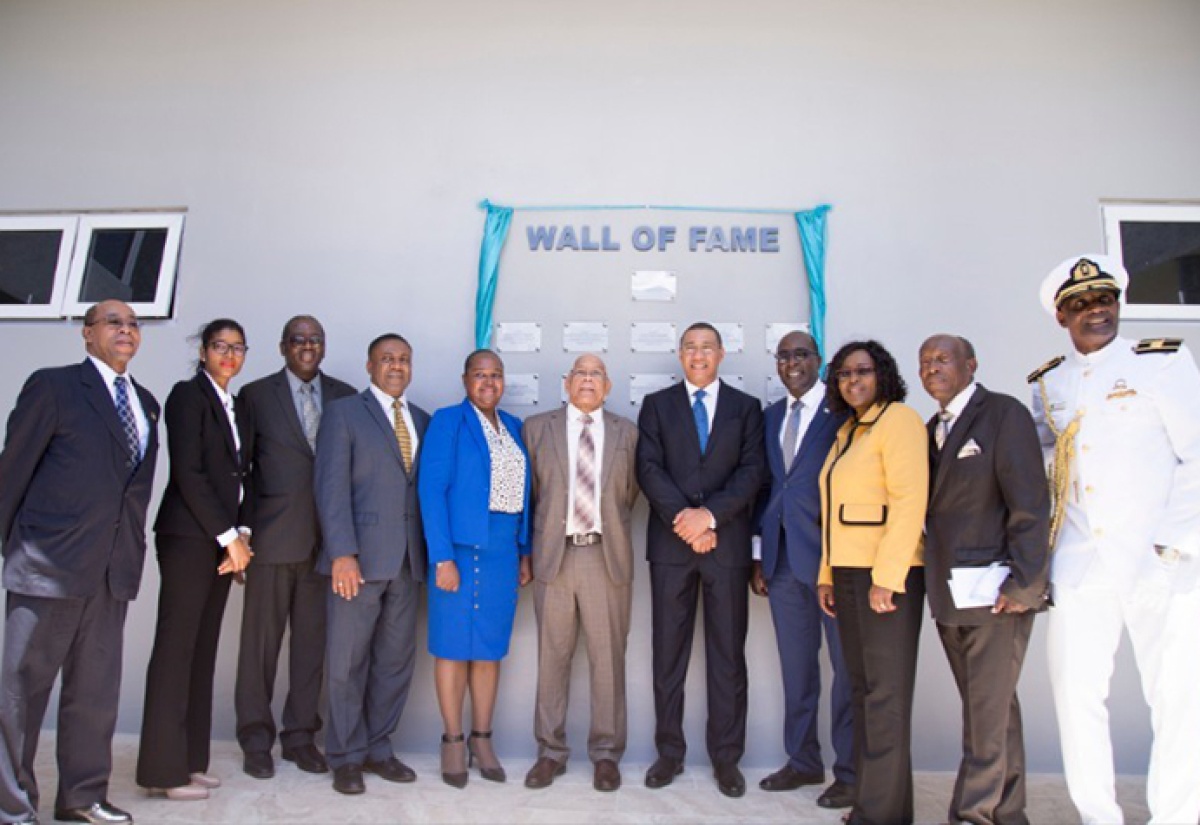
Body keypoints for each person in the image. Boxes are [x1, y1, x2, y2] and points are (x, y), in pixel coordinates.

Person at [1030, 255, 1200, 825]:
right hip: (1081, 563)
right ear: (1061, 316)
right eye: (1080, 304)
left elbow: (1195, 456)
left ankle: (1177, 816)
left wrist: (1173, 543)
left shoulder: (1164, 364)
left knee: (1177, 699)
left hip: (1159, 559)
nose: (1095, 310)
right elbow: (1045, 467)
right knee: (1077, 701)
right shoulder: (1048, 382)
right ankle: (1098, 815)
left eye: (1104, 299)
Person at [0, 301, 159, 825]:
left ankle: (81, 797)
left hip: (112, 572)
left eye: (134, 324)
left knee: (94, 694)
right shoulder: (53, 386)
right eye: (114, 322)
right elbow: (13, 470)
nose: (126, 330)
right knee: (22, 690)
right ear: (87, 333)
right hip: (47, 565)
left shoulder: (145, 403)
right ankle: (12, 805)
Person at [919, 334, 1050, 825]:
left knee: (984, 716)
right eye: (925, 361)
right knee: (992, 711)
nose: (933, 367)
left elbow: (1030, 502)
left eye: (943, 359)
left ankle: (972, 814)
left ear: (971, 364)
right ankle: (1009, 811)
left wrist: (1025, 583)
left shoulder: (1002, 415)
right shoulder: (934, 427)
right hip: (952, 596)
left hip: (998, 595)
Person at [636, 322, 765, 799]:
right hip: (671, 548)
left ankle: (727, 758)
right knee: (668, 656)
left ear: (722, 354)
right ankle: (668, 753)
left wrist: (709, 518)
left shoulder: (746, 409)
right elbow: (648, 469)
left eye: (706, 347)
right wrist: (687, 522)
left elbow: (753, 471)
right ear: (679, 353)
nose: (698, 354)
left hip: (725, 547)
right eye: (690, 347)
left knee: (728, 657)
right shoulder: (657, 405)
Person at [234, 315, 355, 779]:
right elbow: (240, 469)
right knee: (259, 649)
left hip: (327, 546)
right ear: (284, 346)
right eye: (298, 340)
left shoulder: (344, 397)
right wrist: (240, 536)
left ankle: (301, 737)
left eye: (315, 339)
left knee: (311, 649)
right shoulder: (256, 396)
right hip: (270, 540)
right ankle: (255, 739)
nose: (307, 346)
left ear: (324, 347)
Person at [136, 319, 252, 801]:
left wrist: (241, 534)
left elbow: (242, 475)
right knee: (176, 649)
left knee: (202, 650)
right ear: (203, 351)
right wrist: (229, 537)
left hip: (223, 541)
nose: (228, 354)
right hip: (188, 536)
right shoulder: (187, 397)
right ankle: (163, 772)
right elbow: (189, 472)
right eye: (219, 346)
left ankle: (190, 760)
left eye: (237, 348)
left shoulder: (234, 405)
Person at [817, 339, 927, 825]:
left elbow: (909, 500)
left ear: (882, 374)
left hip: (885, 575)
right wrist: (826, 574)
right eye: (843, 374)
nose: (853, 380)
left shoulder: (898, 420)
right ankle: (880, 806)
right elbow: (832, 516)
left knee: (884, 695)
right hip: (846, 573)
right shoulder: (849, 432)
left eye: (862, 371)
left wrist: (889, 577)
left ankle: (878, 815)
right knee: (863, 690)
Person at [313, 333, 428, 796]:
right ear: (369, 366)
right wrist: (342, 552)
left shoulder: (421, 419)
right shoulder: (343, 413)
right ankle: (344, 756)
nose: (395, 366)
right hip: (357, 561)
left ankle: (379, 748)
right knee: (346, 662)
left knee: (394, 662)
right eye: (387, 359)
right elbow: (330, 487)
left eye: (403, 359)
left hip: (406, 561)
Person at [520, 354, 640, 793]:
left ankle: (606, 755)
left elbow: (629, 495)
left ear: (607, 386)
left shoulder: (628, 432)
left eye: (597, 375)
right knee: (552, 658)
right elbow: (530, 494)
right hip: (555, 557)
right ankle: (550, 752)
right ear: (566, 382)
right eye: (581, 373)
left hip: (605, 557)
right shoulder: (536, 429)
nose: (588, 380)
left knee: (608, 661)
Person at [419, 350, 532, 789]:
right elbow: (432, 491)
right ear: (465, 379)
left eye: (496, 375)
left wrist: (524, 551)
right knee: (451, 647)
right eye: (480, 375)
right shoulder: (449, 422)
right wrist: (442, 557)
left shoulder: (517, 428)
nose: (488, 382)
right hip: (459, 553)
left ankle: (482, 740)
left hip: (504, 552)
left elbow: (528, 497)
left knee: (488, 649)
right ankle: (452, 741)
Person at [752, 330, 855, 809]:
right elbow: (767, 489)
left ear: (818, 361)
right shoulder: (770, 416)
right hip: (783, 563)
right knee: (797, 670)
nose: (792, 362)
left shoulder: (843, 413)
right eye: (784, 356)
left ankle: (850, 771)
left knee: (846, 671)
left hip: (833, 563)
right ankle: (803, 760)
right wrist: (759, 555)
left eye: (801, 354)